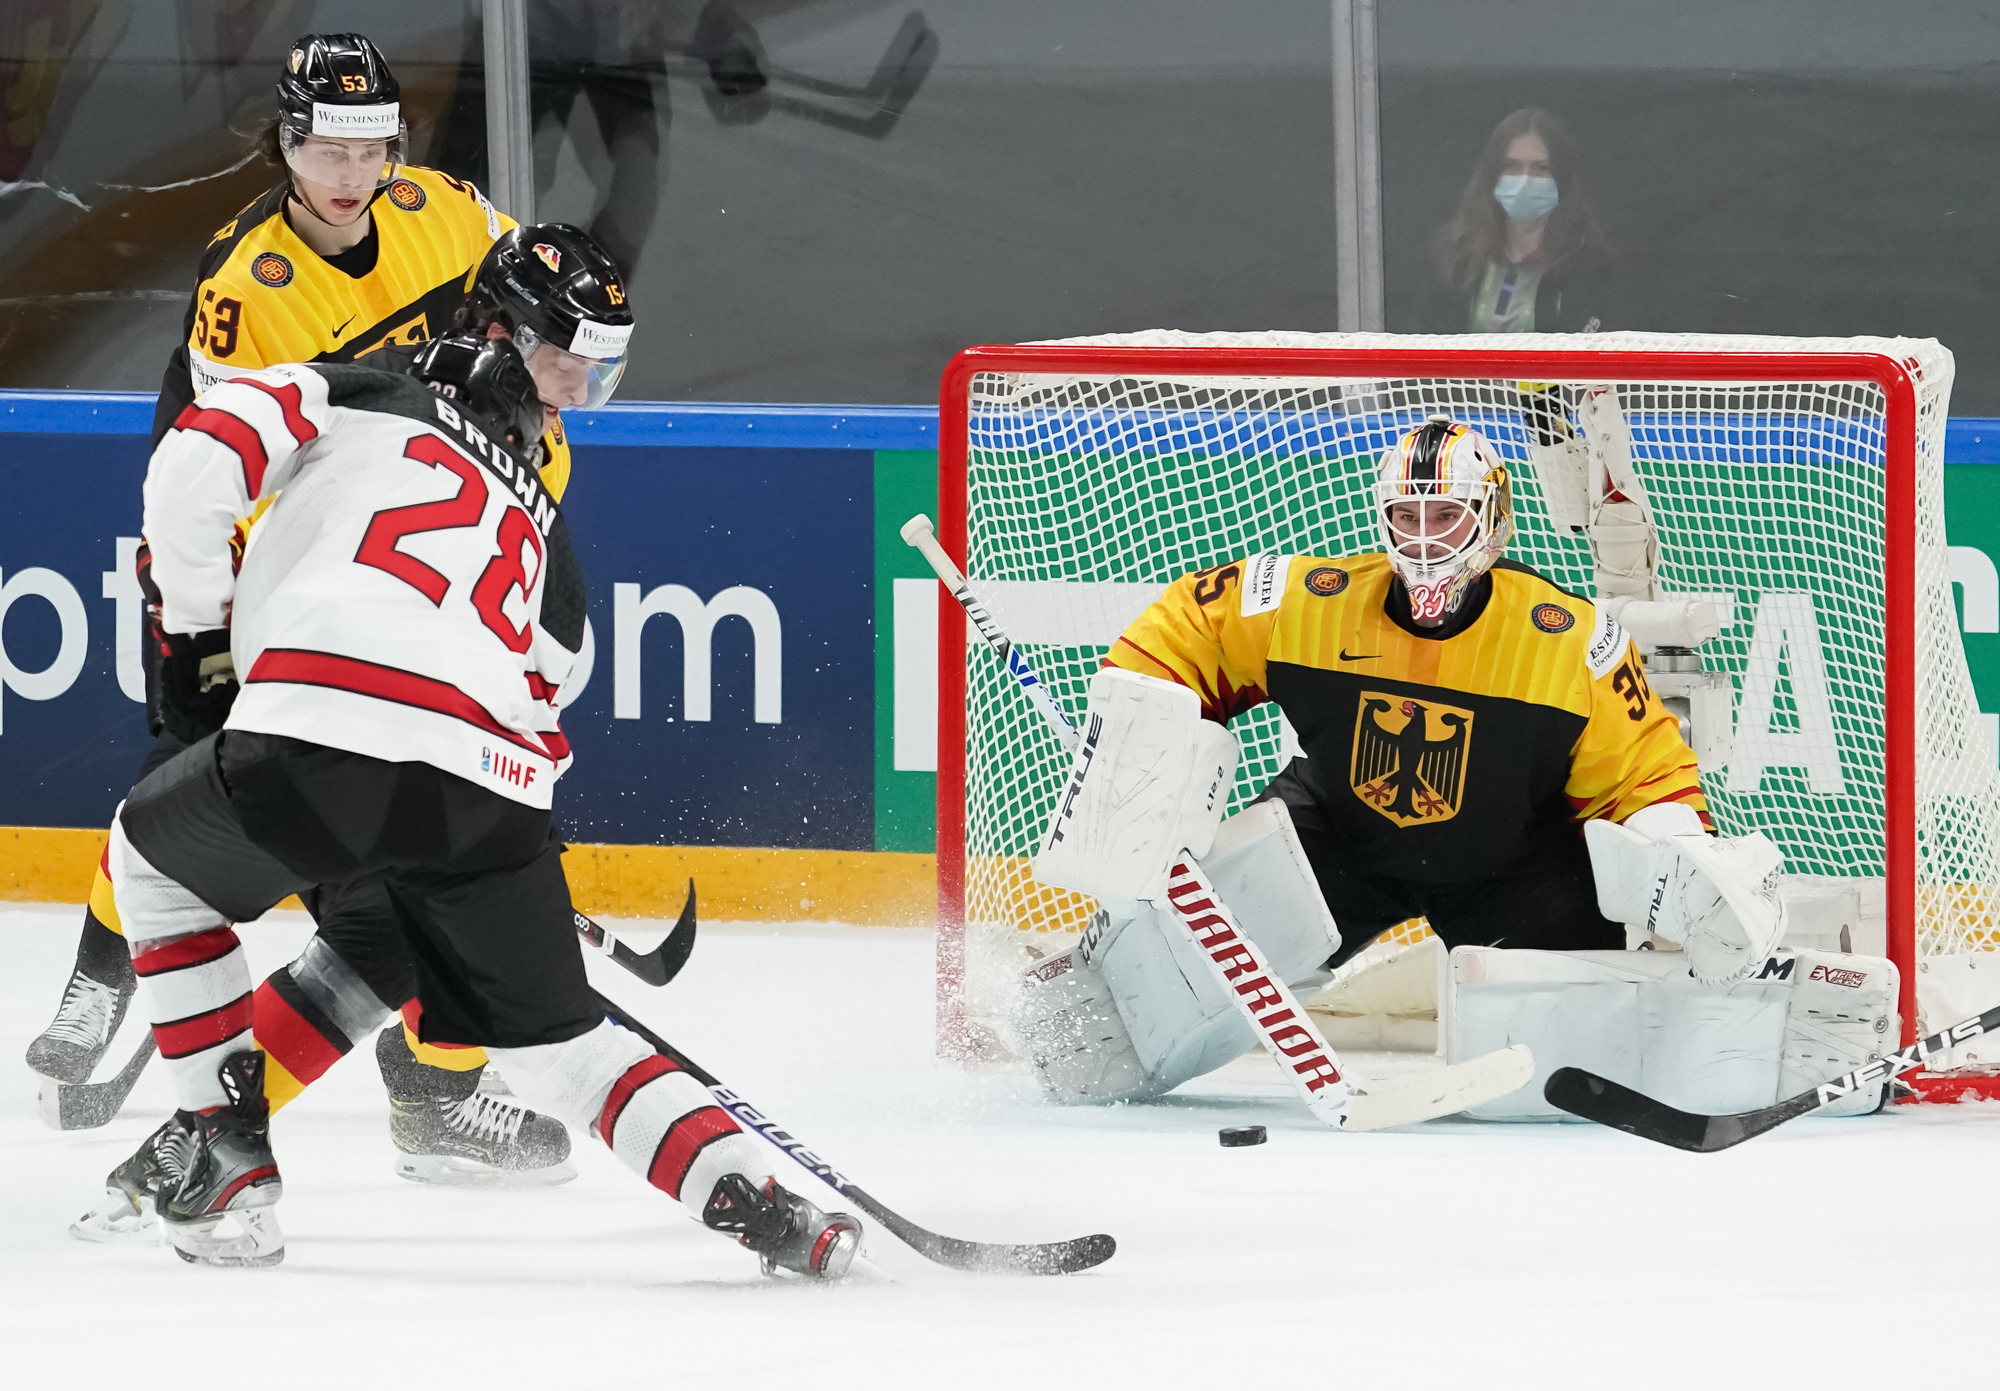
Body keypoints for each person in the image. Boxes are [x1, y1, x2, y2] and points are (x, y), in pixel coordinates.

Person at [97, 332, 861, 1277]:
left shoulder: (365, 393)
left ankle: (223, 1151)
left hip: (320, 730)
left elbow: (201, 449)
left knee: (150, 860)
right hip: (491, 788)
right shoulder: (544, 519)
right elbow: (559, 672)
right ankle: (766, 1206)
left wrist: (195, 626)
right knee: (564, 1054)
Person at [27, 31, 617, 1187]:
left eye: (372, 146)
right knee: (209, 761)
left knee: (427, 804)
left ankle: (431, 1085)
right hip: (293, 524)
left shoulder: (446, 209)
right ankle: (108, 970)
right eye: (327, 147)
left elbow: (528, 317)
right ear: (284, 144)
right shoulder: (251, 289)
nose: (351, 172)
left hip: (434, 503)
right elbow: (256, 465)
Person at [1014, 415, 1796, 1108]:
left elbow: (1647, 771)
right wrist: (1140, 739)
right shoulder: (1312, 599)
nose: (1425, 536)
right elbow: (1186, 625)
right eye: (1406, 514)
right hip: (1337, 842)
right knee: (1139, 1015)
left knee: (1560, 1077)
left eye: (1447, 514)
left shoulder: (1569, 639)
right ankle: (1056, 1010)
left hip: (1518, 867)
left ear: (1491, 520)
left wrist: (1683, 855)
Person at [1422, 107, 1614, 334]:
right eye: (1511, 166)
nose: (1525, 180)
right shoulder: (1454, 255)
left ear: (1562, 178)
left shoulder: (1590, 266)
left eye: (1541, 168)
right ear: (1492, 175)